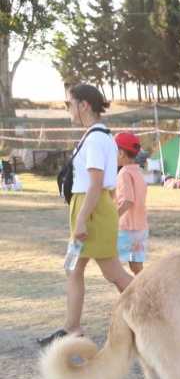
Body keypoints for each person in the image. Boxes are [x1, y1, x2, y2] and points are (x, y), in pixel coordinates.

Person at [38, 84, 133, 347]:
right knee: (75, 267)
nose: (67, 108)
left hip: (91, 211)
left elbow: (95, 183)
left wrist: (81, 219)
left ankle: (155, 312)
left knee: (113, 272)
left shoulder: (95, 138)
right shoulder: (97, 136)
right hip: (91, 208)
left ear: (84, 105)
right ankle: (72, 327)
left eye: (70, 103)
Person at [114, 132, 149, 276]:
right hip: (141, 227)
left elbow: (128, 201)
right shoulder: (138, 171)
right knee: (137, 267)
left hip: (127, 228)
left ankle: (126, 291)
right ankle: (142, 292)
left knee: (111, 262)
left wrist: (112, 217)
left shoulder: (124, 173)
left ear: (121, 153)